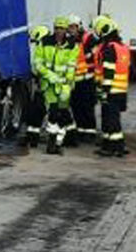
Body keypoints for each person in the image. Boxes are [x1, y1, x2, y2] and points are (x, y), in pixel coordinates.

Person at [92, 15, 130, 157]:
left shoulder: (109, 48)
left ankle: (115, 147)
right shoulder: (121, 47)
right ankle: (109, 145)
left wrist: (104, 91)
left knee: (111, 121)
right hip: (120, 90)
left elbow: (108, 71)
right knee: (111, 120)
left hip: (111, 90)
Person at [41, 16, 79, 154]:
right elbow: (38, 63)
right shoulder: (45, 42)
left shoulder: (72, 45)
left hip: (64, 86)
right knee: (53, 113)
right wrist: (50, 76)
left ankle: (58, 143)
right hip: (49, 85)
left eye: (62, 28)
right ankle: (52, 143)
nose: (59, 31)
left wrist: (67, 81)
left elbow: (71, 65)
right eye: (57, 28)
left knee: (62, 114)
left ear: (66, 30)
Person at [69, 15, 99, 145]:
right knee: (76, 107)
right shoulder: (70, 40)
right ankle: (81, 131)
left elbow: (96, 55)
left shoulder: (89, 38)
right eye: (69, 27)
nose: (71, 30)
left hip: (87, 79)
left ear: (79, 26)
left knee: (87, 107)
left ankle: (90, 132)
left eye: (73, 27)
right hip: (76, 80)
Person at [25, 25, 51, 147]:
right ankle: (32, 137)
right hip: (43, 84)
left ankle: (35, 137)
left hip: (48, 86)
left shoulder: (47, 50)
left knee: (41, 110)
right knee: (36, 110)